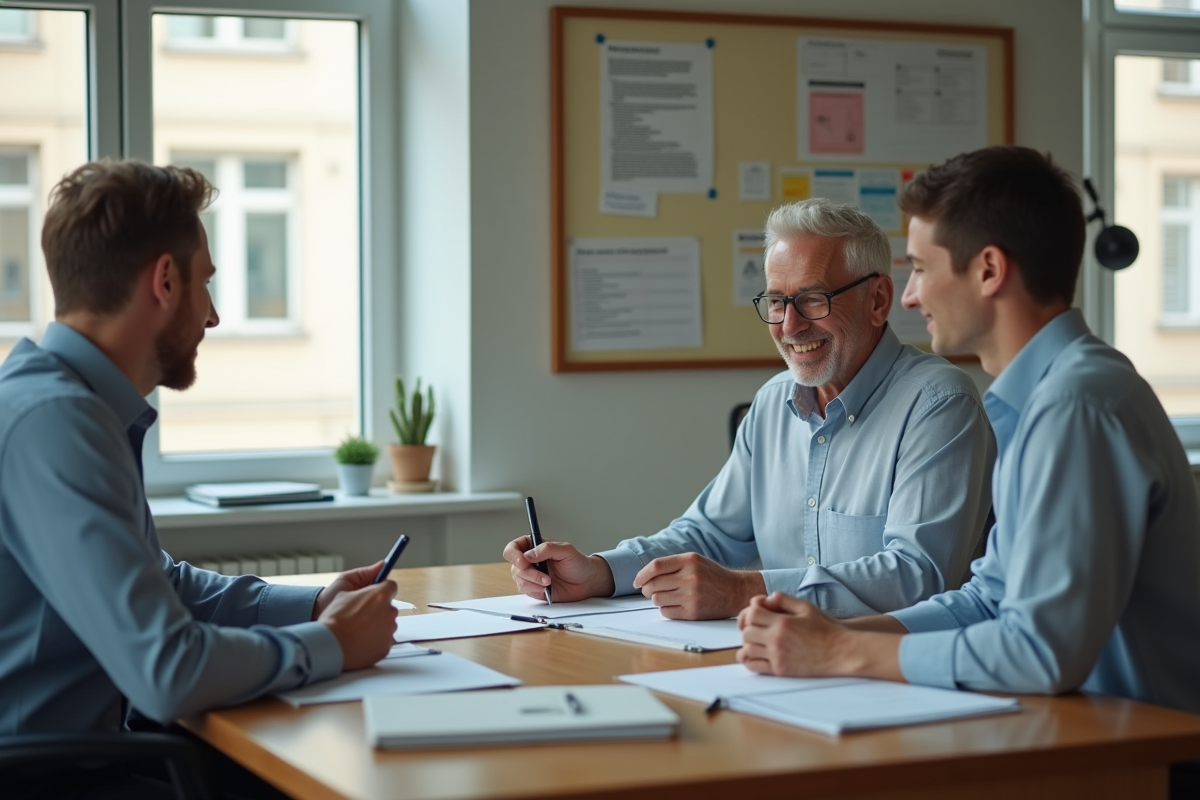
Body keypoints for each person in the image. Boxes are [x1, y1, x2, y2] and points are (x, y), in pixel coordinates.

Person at [737, 146, 1200, 720]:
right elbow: (989, 600)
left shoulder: (1075, 407)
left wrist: (844, 650)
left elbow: (1040, 652)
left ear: (988, 270)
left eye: (923, 269)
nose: (908, 296)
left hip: (1140, 757)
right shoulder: (1044, 398)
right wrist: (827, 630)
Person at [0, 160, 399, 797]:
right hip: (45, 780)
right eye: (204, 283)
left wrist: (314, 604)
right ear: (164, 280)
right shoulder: (58, 424)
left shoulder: (69, 406)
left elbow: (159, 583)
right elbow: (168, 671)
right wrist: (329, 643)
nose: (211, 316)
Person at [504, 199, 995, 620]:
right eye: (777, 302)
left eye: (813, 299)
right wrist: (600, 572)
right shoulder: (772, 404)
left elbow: (919, 575)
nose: (789, 326)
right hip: (778, 665)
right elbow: (709, 534)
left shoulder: (939, 404)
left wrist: (746, 591)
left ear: (879, 299)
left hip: (896, 679)